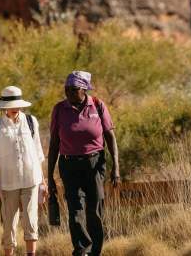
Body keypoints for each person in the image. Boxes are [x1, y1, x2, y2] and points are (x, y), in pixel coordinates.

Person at [47, 71, 120, 256]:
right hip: (69, 165)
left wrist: (116, 168)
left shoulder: (97, 105)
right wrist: (49, 176)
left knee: (94, 210)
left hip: (94, 164)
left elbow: (110, 138)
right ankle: (81, 250)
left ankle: (96, 251)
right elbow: (54, 144)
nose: (69, 93)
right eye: (66, 89)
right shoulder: (59, 109)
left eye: (73, 90)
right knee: (75, 210)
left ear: (84, 89)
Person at [0, 86, 46, 256]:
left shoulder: (30, 121)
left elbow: (38, 151)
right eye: (12, 104)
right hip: (8, 182)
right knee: (9, 223)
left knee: (30, 220)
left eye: (17, 104)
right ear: (4, 106)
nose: (15, 107)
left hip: (31, 179)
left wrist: (43, 180)